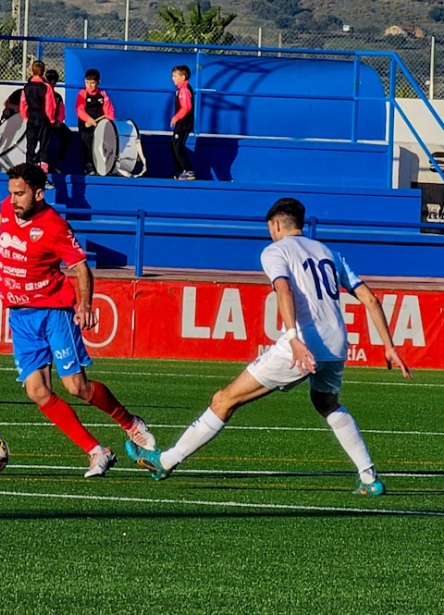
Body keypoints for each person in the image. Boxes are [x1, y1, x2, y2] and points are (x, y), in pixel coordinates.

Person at [126, 197, 411, 495]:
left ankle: (166, 461)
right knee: (326, 403)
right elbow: (370, 299)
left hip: (301, 343)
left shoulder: (275, 251)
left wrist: (293, 337)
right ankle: (369, 478)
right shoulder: (329, 252)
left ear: (275, 225)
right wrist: (388, 346)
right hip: (337, 342)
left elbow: (283, 288)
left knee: (224, 399)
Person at [0, 163, 156, 477]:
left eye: (20, 193)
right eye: (10, 193)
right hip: (20, 317)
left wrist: (86, 305)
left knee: (77, 386)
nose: (13, 199)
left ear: (38, 194)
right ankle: (97, 452)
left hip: (53, 311)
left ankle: (130, 423)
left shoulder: (54, 226)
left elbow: (81, 268)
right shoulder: (10, 209)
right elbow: (4, 220)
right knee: (37, 391)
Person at [75, 68, 115, 175]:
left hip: (99, 124)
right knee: (87, 144)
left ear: (98, 82)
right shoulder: (82, 94)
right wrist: (88, 119)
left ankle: (102, 166)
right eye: (87, 82)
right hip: (86, 124)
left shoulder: (103, 94)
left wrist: (107, 121)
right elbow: (79, 110)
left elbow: (109, 111)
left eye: (92, 83)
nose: (89, 85)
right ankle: (89, 166)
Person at [20, 60, 56, 173]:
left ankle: (28, 170)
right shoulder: (46, 87)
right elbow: (50, 104)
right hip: (43, 118)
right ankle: (43, 171)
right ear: (43, 72)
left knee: (30, 144)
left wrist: (25, 116)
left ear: (31, 71)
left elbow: (23, 103)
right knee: (44, 145)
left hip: (31, 117)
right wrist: (51, 118)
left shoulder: (26, 87)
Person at [45, 69, 73, 173]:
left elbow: (61, 110)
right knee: (44, 140)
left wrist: (59, 121)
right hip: (45, 122)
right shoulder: (41, 94)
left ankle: (59, 159)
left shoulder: (57, 96)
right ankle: (39, 160)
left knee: (68, 135)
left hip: (55, 122)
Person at [170, 65, 195, 181]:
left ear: (183, 77)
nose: (172, 78)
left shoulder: (184, 90)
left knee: (178, 146)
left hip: (183, 123)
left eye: (175, 76)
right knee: (175, 145)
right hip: (184, 122)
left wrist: (176, 117)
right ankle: (182, 169)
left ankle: (187, 170)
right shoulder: (181, 89)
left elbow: (186, 107)